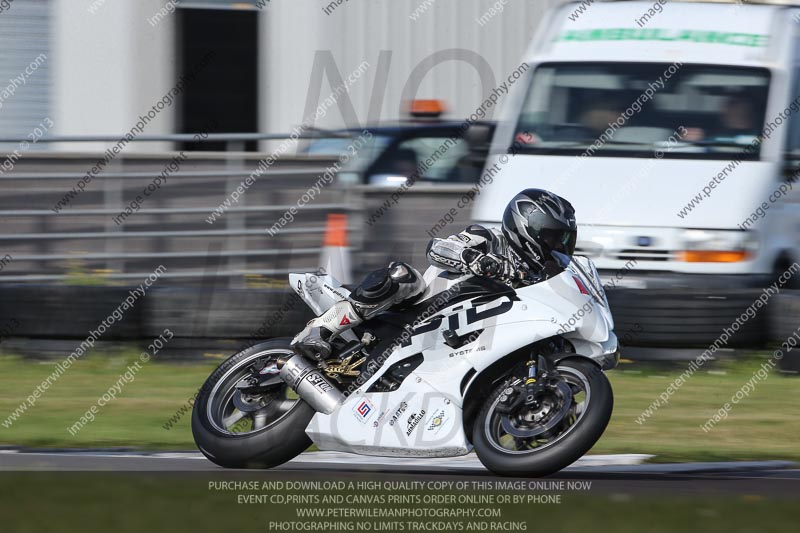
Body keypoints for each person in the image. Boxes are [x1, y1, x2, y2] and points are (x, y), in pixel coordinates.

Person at [291, 189, 578, 361]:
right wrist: (477, 260)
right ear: (528, 227)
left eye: (564, 240)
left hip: (465, 336)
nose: (557, 246)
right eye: (553, 237)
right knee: (403, 276)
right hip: (424, 308)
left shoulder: (538, 276)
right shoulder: (488, 238)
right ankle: (322, 329)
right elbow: (438, 248)